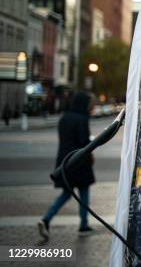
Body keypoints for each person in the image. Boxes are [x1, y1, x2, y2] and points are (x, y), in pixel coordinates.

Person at [38, 91, 96, 242]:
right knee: (84, 193)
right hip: (79, 161)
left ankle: (46, 219)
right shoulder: (82, 118)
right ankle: (84, 224)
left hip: (64, 162)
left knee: (66, 193)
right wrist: (90, 155)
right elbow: (84, 142)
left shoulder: (65, 117)